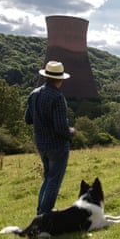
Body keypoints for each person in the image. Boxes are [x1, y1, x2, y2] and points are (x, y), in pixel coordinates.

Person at [25, 61, 76, 215]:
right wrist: (72, 132)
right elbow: (61, 127)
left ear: (46, 77)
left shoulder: (34, 94)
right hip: (57, 145)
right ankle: (45, 215)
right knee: (54, 180)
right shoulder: (57, 97)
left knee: (47, 177)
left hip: (41, 143)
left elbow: (28, 119)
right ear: (60, 79)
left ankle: (40, 212)